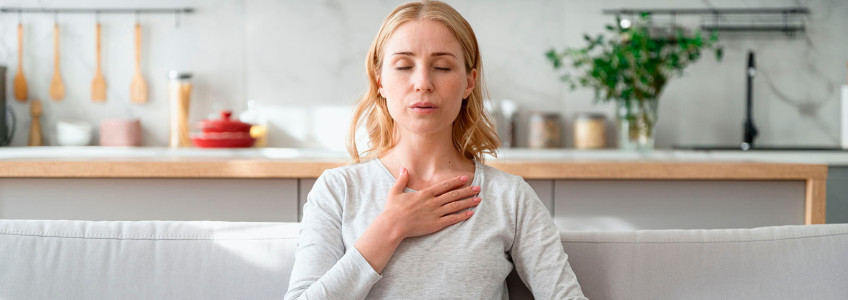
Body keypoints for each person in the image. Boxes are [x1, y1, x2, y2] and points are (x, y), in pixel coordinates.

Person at [285, 1, 587, 299]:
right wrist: (390, 228)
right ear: (380, 81)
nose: (423, 83)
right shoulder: (338, 191)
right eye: (403, 66)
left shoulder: (509, 197)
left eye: (442, 67)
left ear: (469, 82)